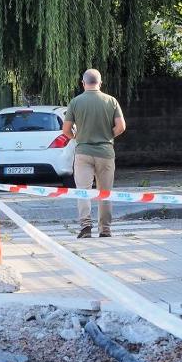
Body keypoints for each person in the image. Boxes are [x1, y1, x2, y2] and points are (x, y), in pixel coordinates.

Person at [62, 69, 126, 238]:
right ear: (100, 83)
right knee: (105, 192)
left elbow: (66, 130)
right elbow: (121, 127)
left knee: (83, 190)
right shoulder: (111, 101)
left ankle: (85, 226)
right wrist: (107, 135)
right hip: (105, 152)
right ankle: (105, 229)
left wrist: (77, 136)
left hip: (83, 152)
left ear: (83, 83)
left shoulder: (76, 102)